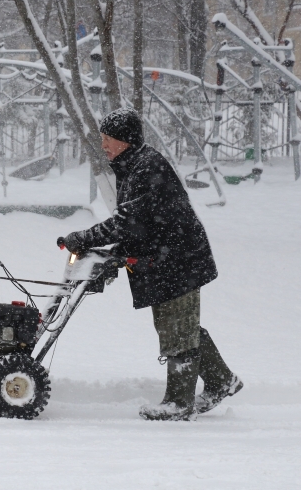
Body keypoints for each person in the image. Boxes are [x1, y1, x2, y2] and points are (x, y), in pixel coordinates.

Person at [58, 107, 242, 421]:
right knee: (180, 325)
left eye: (107, 139)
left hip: (177, 258)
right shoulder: (133, 165)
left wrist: (84, 238)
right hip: (165, 257)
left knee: (176, 329)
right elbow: (138, 224)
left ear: (125, 140)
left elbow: (126, 221)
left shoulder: (147, 168)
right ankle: (221, 380)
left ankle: (178, 403)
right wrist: (116, 253)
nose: (103, 145)